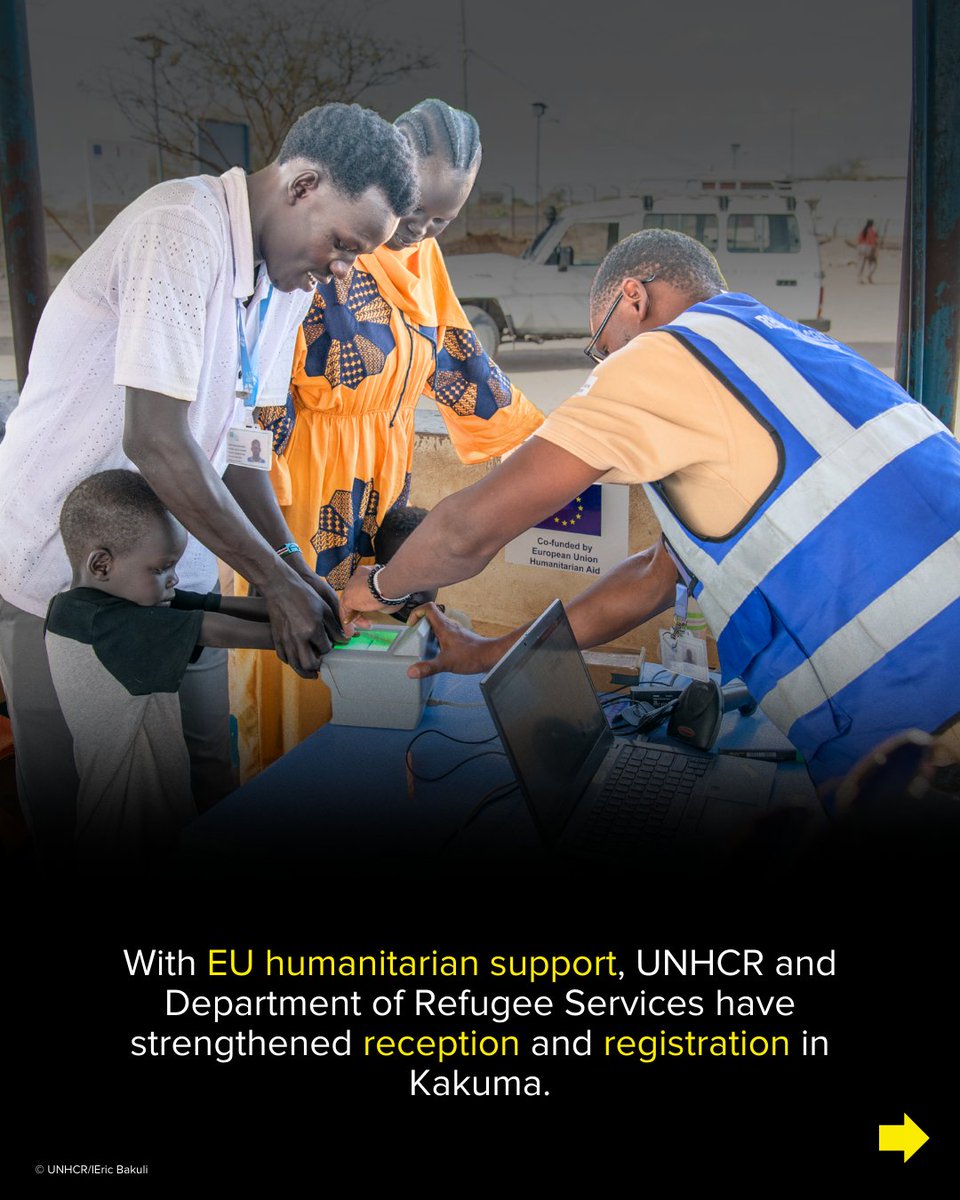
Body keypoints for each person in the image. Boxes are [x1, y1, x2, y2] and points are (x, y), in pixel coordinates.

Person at [342, 228, 960, 789]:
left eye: (603, 346)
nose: (608, 365)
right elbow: (653, 577)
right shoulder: (778, 344)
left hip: (923, 712)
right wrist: (487, 654)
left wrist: (382, 585)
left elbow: (468, 532)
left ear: (633, 298)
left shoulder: (665, 354)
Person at [0, 102, 418, 859]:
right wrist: (273, 581)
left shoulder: (287, 286)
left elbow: (241, 448)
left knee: (201, 775)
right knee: (76, 800)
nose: (341, 270)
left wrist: (291, 567)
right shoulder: (179, 231)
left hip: (170, 567)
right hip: (58, 570)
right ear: (302, 185)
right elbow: (156, 440)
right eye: (343, 243)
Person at [233, 99, 543, 777]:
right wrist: (270, 534)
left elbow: (458, 358)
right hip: (300, 489)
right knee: (306, 659)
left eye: (442, 220)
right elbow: (256, 389)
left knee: (375, 656)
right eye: (413, 213)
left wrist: (547, 448)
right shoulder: (325, 250)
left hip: (379, 486)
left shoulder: (423, 260)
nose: (420, 232)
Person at [46, 471, 277, 865]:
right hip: (124, 835)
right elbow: (221, 628)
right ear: (102, 564)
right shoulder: (104, 627)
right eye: (162, 569)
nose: (174, 579)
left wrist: (313, 607)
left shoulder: (110, 605)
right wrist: (307, 629)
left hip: (161, 816)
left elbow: (213, 606)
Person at [857, 219, 878, 283]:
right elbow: (872, 240)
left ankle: (860, 278)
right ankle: (869, 276)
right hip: (868, 247)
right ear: (872, 224)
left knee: (862, 264)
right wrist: (874, 249)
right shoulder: (871, 231)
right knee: (873, 263)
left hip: (861, 247)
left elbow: (859, 239)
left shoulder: (863, 231)